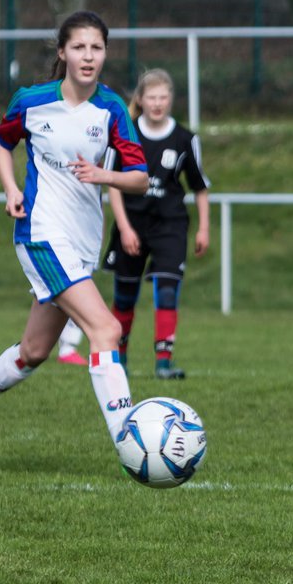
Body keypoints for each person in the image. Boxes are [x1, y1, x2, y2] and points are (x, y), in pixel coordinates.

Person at [0, 11, 148, 453]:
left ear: (105, 53)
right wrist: (11, 187)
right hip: (39, 234)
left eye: (96, 48)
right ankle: (133, 446)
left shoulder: (111, 108)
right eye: (79, 47)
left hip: (82, 242)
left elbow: (139, 178)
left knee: (34, 351)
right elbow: (1, 141)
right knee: (106, 329)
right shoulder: (32, 101)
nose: (88, 56)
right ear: (62, 52)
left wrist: (102, 175)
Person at [102, 68, 212, 379]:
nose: (158, 103)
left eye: (163, 97)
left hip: (170, 224)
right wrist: (124, 228)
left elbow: (199, 187)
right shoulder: (126, 134)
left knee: (167, 291)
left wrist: (203, 228)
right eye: (152, 97)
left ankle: (164, 362)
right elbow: (112, 184)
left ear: (171, 100)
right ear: (141, 99)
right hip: (132, 222)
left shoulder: (185, 139)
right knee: (125, 295)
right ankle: (118, 361)